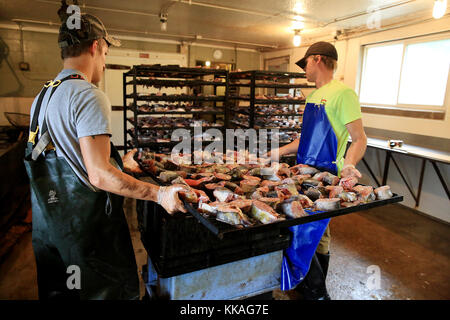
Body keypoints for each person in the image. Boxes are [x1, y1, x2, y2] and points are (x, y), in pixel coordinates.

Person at [24, 7, 188, 300]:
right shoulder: (87, 95)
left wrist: (119, 165)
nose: (104, 63)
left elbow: (69, 157)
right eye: (106, 54)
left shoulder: (43, 96)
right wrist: (158, 194)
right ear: (96, 46)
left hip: (52, 229)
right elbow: (98, 174)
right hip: (89, 232)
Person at [269, 41, 367, 299]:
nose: (304, 70)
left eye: (305, 64)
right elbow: (305, 140)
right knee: (309, 230)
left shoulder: (343, 94)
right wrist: (278, 152)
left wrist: (349, 163)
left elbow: (359, 138)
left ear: (318, 60)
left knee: (312, 230)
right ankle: (308, 283)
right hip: (301, 172)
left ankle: (316, 290)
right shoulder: (312, 96)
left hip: (324, 177)